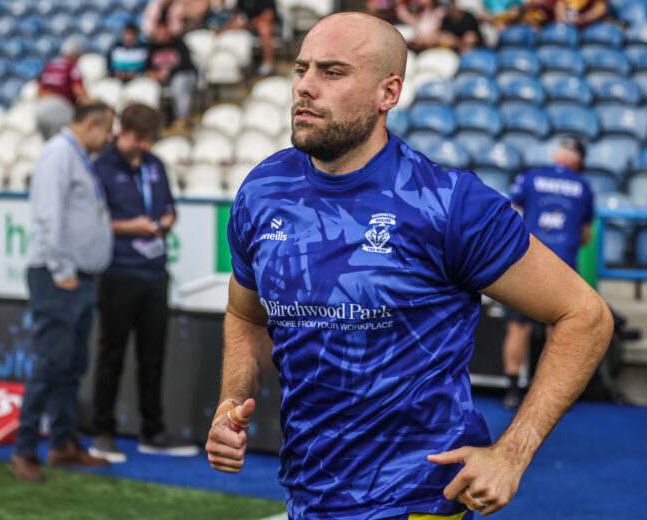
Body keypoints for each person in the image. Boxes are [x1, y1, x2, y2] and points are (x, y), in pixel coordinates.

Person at [205, 12, 613, 519]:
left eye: (333, 72)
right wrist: (231, 402)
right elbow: (246, 315)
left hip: (417, 501)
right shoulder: (264, 190)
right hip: (307, 497)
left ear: (389, 93)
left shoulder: (449, 203)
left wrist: (513, 452)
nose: (305, 87)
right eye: (301, 68)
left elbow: (585, 315)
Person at [9, 102, 115, 484]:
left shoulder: (74, 155)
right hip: (59, 277)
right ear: (92, 124)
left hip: (78, 277)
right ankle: (24, 450)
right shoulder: (58, 153)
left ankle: (62, 442)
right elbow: (48, 214)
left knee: (71, 365)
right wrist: (61, 270)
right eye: (108, 130)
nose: (109, 138)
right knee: (50, 364)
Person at [89, 104, 198, 462]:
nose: (143, 145)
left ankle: (153, 431)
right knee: (112, 355)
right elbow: (91, 222)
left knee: (153, 357)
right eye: (138, 138)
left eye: (148, 139)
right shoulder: (101, 168)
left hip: (155, 273)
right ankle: (102, 432)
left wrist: (166, 219)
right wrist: (129, 227)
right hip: (118, 272)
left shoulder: (155, 165)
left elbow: (169, 207)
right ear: (121, 132)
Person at [501, 136, 595, 410]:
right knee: (558, 331)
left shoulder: (531, 177)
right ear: (579, 160)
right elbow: (586, 237)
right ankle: (549, 394)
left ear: (557, 154)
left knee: (518, 327)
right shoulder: (584, 187)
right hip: (562, 265)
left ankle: (512, 391)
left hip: (527, 261)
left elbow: (508, 211)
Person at [146, 20, 197, 129]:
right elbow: (147, 66)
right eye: (157, 31)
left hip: (183, 76)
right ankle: (153, 119)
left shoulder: (179, 44)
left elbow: (186, 64)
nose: (159, 34)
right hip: (161, 79)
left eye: (161, 31)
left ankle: (181, 118)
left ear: (167, 30)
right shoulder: (152, 47)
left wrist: (168, 73)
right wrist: (153, 74)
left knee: (180, 82)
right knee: (146, 84)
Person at [35, 36, 89, 140]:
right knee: (65, 141)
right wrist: (90, 105)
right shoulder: (71, 66)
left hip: (40, 107)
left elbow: (39, 86)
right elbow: (77, 90)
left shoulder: (50, 65)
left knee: (49, 143)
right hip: (59, 107)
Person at [224, 0, 278, 76]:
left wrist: (249, 23)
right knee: (230, 28)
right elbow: (238, 14)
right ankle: (237, 66)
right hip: (247, 26)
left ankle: (268, 65)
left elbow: (268, 15)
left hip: (260, 25)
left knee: (264, 29)